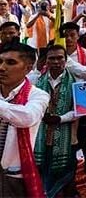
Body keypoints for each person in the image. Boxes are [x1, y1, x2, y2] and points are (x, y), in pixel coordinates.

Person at [0, 41, 48, 197]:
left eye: (10, 62)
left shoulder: (38, 95)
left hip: (13, 177)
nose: (2, 67)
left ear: (28, 68)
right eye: (0, 61)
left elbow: (27, 117)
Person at [33, 45, 79, 197]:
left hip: (66, 137)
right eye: (52, 58)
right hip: (41, 137)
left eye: (60, 58)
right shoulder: (36, 81)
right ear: (46, 61)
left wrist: (60, 118)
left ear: (66, 60)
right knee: (42, 171)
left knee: (65, 175)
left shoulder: (75, 82)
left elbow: (79, 110)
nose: (56, 61)